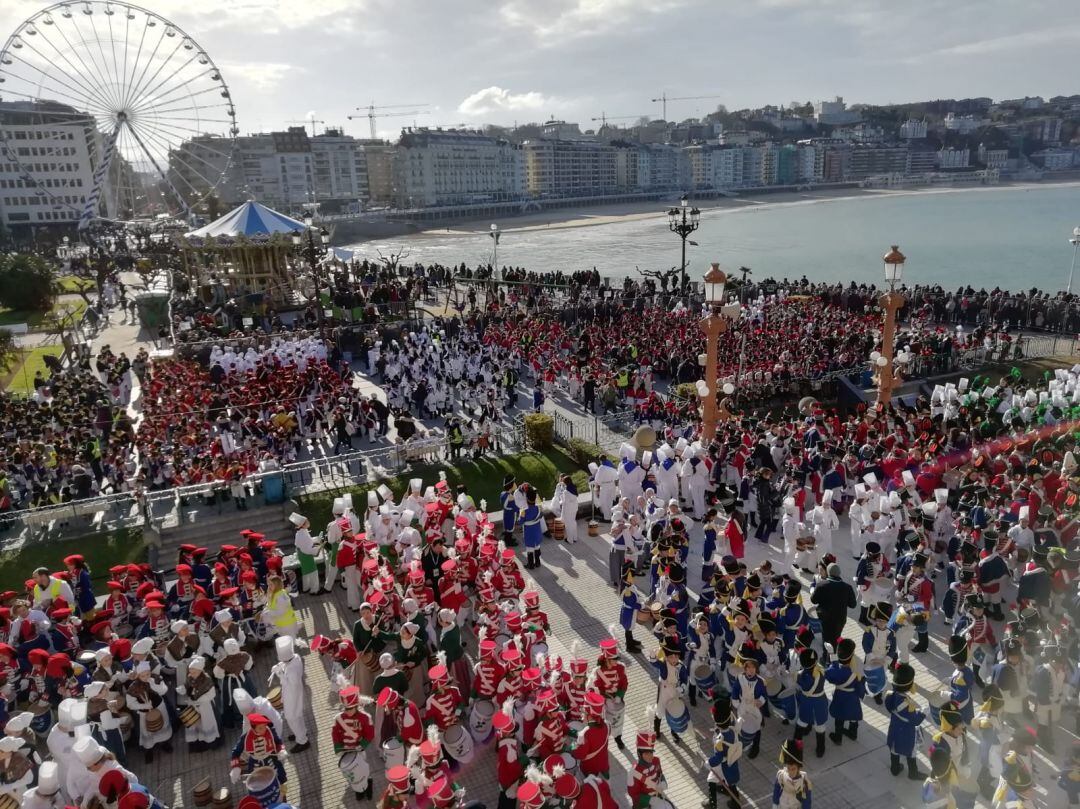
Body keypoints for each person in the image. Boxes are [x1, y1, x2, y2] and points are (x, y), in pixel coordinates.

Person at [332, 685, 375, 801]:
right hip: (345, 750)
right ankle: (358, 790)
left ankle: (368, 785)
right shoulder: (338, 718)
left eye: (350, 708)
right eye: (346, 709)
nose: (348, 711)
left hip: (359, 749)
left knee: (363, 769)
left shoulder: (365, 718)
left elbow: (370, 734)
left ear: (356, 706)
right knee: (351, 772)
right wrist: (338, 747)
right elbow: (335, 734)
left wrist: (363, 745)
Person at [885, 662, 925, 780]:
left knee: (894, 749)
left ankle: (895, 768)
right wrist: (923, 712)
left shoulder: (890, 695)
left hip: (894, 728)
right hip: (906, 732)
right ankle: (913, 773)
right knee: (911, 752)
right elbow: (915, 720)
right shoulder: (907, 704)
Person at [270, 636, 309, 752]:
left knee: (291, 717)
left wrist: (280, 674)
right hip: (293, 693)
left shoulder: (291, 671)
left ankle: (302, 741)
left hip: (292, 695)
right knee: (298, 715)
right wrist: (280, 666)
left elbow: (292, 683)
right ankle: (301, 732)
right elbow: (287, 663)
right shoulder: (295, 657)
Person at [809, 562, 855, 650]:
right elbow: (853, 605)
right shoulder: (847, 587)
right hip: (840, 619)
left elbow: (813, 600)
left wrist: (812, 589)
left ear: (828, 572)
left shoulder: (821, 585)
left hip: (825, 618)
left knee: (826, 638)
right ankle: (834, 654)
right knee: (836, 636)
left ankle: (826, 658)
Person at [627, 730, 665, 809]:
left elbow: (660, 774)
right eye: (646, 753)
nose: (650, 756)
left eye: (651, 752)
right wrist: (650, 800)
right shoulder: (633, 772)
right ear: (639, 754)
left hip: (658, 797)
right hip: (642, 805)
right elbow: (633, 794)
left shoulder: (656, 760)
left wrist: (663, 781)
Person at [772, 738, 812, 809]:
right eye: (788, 768)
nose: (790, 772)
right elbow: (776, 789)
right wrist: (775, 804)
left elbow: (806, 801)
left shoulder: (803, 782)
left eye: (793, 769)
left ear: (799, 768)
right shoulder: (781, 775)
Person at [290, 513, 321, 596]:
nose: (308, 522)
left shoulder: (301, 533)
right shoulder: (302, 534)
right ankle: (314, 590)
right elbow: (307, 548)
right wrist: (317, 548)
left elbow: (306, 543)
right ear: (303, 525)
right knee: (313, 572)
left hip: (302, 555)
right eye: (307, 521)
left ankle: (306, 588)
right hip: (306, 555)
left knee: (306, 572)